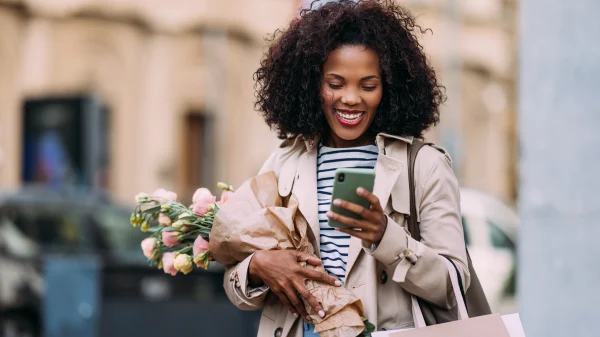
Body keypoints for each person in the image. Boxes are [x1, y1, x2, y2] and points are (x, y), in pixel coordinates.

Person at [223, 1, 469, 336]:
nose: (351, 98)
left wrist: (386, 237)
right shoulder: (285, 162)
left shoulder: (424, 166)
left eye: (368, 85)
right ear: (314, 85)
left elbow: (453, 285)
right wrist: (258, 267)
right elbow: (235, 285)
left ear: (389, 87)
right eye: (335, 83)